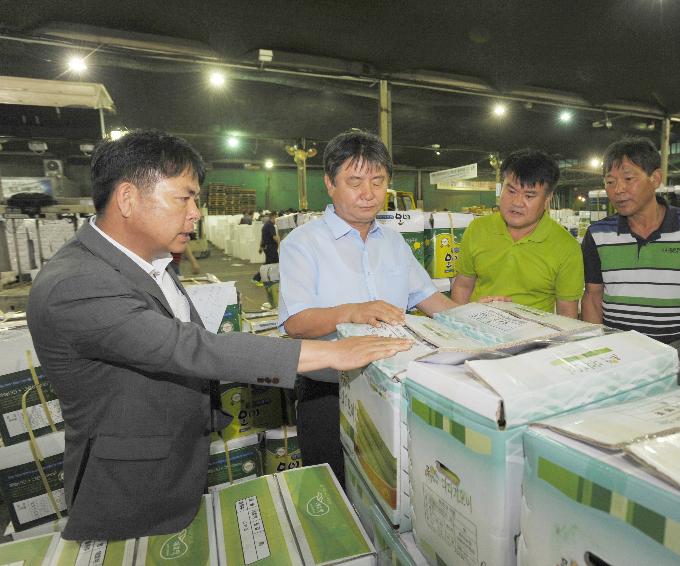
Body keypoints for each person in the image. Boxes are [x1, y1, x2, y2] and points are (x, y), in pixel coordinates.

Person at [26, 129, 412, 541]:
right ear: (127, 198)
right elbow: (186, 346)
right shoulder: (77, 281)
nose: (196, 213)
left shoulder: (148, 262)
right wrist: (331, 353)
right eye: (184, 197)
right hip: (129, 488)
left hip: (172, 466)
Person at [278, 130, 456, 481]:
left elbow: (432, 301)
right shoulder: (303, 243)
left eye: (378, 181)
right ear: (330, 183)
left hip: (392, 389)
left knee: (388, 491)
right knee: (333, 491)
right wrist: (352, 311)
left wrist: (482, 316)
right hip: (328, 391)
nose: (368, 194)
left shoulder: (393, 243)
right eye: (354, 181)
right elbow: (295, 322)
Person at [581, 137, 680, 385]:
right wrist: (599, 352)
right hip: (617, 351)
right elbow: (593, 296)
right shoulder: (598, 234)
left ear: (655, 179)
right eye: (610, 182)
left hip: (672, 353)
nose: (618, 190)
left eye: (629, 179)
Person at [451, 149, 584, 316]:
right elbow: (463, 286)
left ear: (548, 198)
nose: (517, 202)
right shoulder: (478, 229)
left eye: (529, 195)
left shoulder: (566, 247)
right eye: (511, 191)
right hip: (477, 330)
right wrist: (457, 326)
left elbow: (567, 311)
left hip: (534, 337)